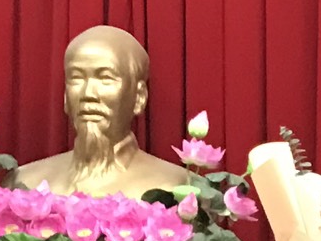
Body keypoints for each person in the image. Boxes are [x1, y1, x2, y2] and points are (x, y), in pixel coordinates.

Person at [12, 25, 196, 200]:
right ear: (65, 96)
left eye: (105, 78)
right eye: (76, 77)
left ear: (139, 97)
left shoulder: (179, 189)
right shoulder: (24, 183)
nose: (88, 94)